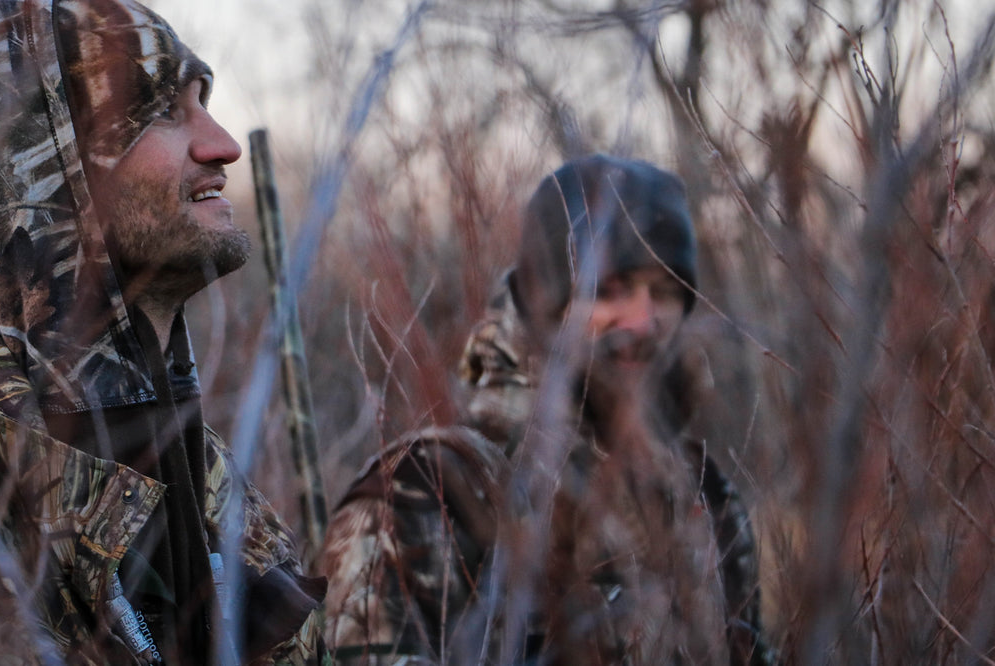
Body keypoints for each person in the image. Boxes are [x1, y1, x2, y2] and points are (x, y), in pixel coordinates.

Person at [0, 0, 326, 665]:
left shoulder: (216, 485)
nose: (224, 145)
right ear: (30, 163)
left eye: (205, 101)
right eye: (163, 109)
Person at [320, 154, 775, 665]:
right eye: (610, 290)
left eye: (667, 291)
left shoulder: (704, 494)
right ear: (546, 304)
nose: (644, 320)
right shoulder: (428, 491)